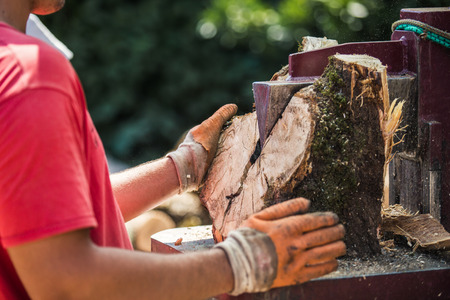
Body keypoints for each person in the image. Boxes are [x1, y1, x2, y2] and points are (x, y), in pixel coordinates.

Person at [0, 0, 346, 299]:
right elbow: (65, 281)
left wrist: (183, 167)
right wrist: (240, 263)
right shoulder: (28, 73)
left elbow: (41, 218)